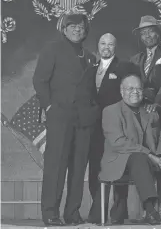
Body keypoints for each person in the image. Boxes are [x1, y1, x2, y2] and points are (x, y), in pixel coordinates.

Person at [99, 74, 161, 225]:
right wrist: (150, 155)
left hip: (148, 161)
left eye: (139, 88)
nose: (135, 92)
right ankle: (150, 210)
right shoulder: (110, 111)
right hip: (120, 162)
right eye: (130, 88)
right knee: (138, 158)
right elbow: (118, 142)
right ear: (122, 91)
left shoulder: (150, 112)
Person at [33, 13, 100, 226]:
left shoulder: (89, 56)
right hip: (60, 116)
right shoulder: (52, 49)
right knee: (56, 166)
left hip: (83, 120)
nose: (77, 30)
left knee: (79, 168)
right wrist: (49, 107)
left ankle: (72, 213)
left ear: (85, 30)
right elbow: (39, 80)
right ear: (64, 29)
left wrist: (92, 111)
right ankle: (51, 213)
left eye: (81, 27)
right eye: (72, 26)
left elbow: (91, 90)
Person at [130, 15, 161, 215]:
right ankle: (148, 207)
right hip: (141, 116)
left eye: (151, 31)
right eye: (143, 33)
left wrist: (157, 104)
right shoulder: (136, 59)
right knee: (145, 158)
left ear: (159, 34)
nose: (147, 35)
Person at [87, 33, 138, 224]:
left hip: (118, 126)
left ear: (115, 47)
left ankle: (119, 212)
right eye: (102, 43)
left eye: (110, 44)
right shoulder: (90, 70)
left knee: (119, 168)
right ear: (98, 46)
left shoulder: (125, 67)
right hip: (95, 129)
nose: (106, 47)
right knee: (95, 169)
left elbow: (131, 94)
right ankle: (97, 211)